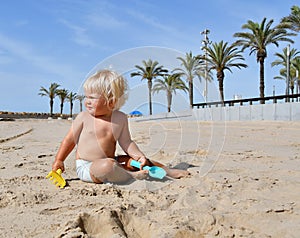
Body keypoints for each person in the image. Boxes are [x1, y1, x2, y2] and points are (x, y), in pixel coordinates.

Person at [51, 69, 189, 184]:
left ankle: (168, 171)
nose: (87, 102)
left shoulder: (120, 118)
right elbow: (69, 141)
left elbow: (127, 143)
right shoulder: (83, 118)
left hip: (114, 160)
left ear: (111, 101)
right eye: (86, 97)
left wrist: (139, 156)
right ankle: (132, 176)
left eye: (92, 98)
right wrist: (59, 160)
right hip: (89, 167)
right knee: (107, 167)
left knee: (136, 161)